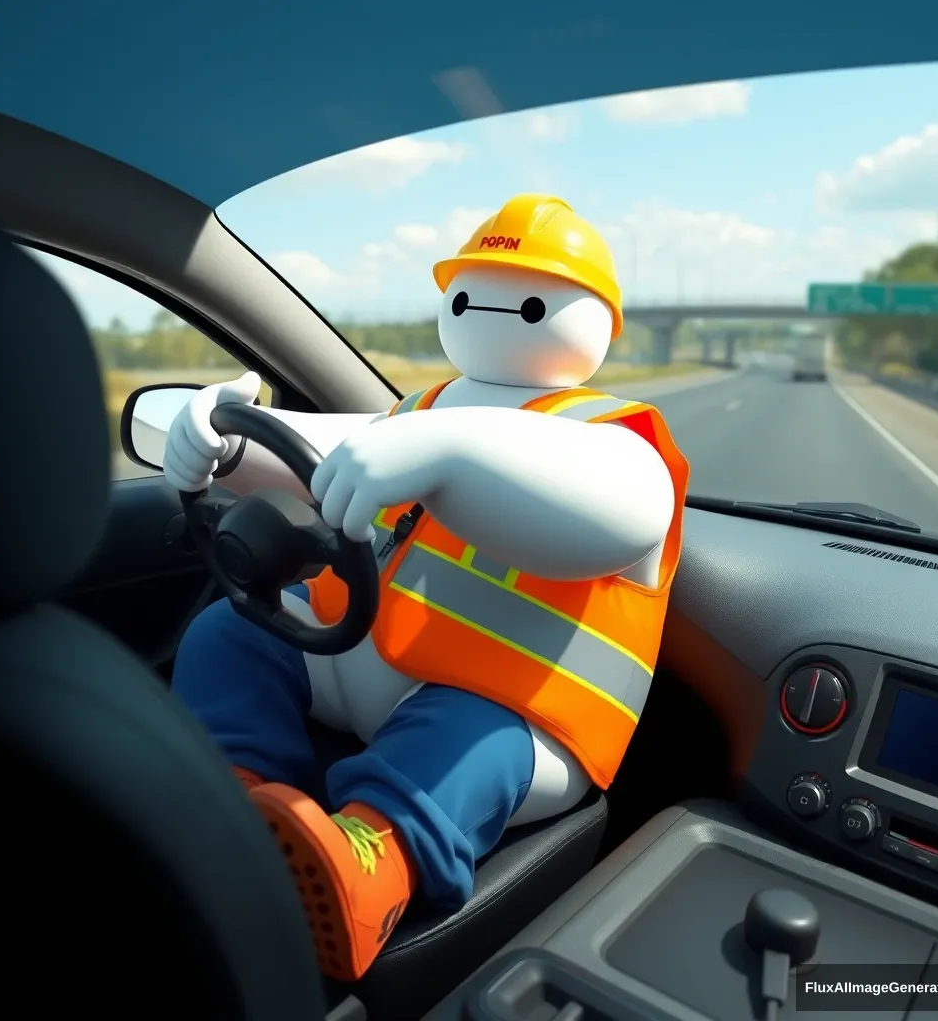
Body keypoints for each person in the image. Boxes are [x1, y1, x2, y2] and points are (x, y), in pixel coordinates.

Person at [162, 193, 690, 980]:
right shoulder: (423, 409)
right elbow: (324, 456)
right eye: (469, 294)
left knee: (458, 747)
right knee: (229, 634)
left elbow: (622, 506)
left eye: (532, 299)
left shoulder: (616, 434)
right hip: (354, 657)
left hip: (511, 711)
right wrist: (226, 446)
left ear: (601, 324)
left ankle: (369, 865)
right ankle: (231, 796)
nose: (491, 313)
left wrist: (447, 451)